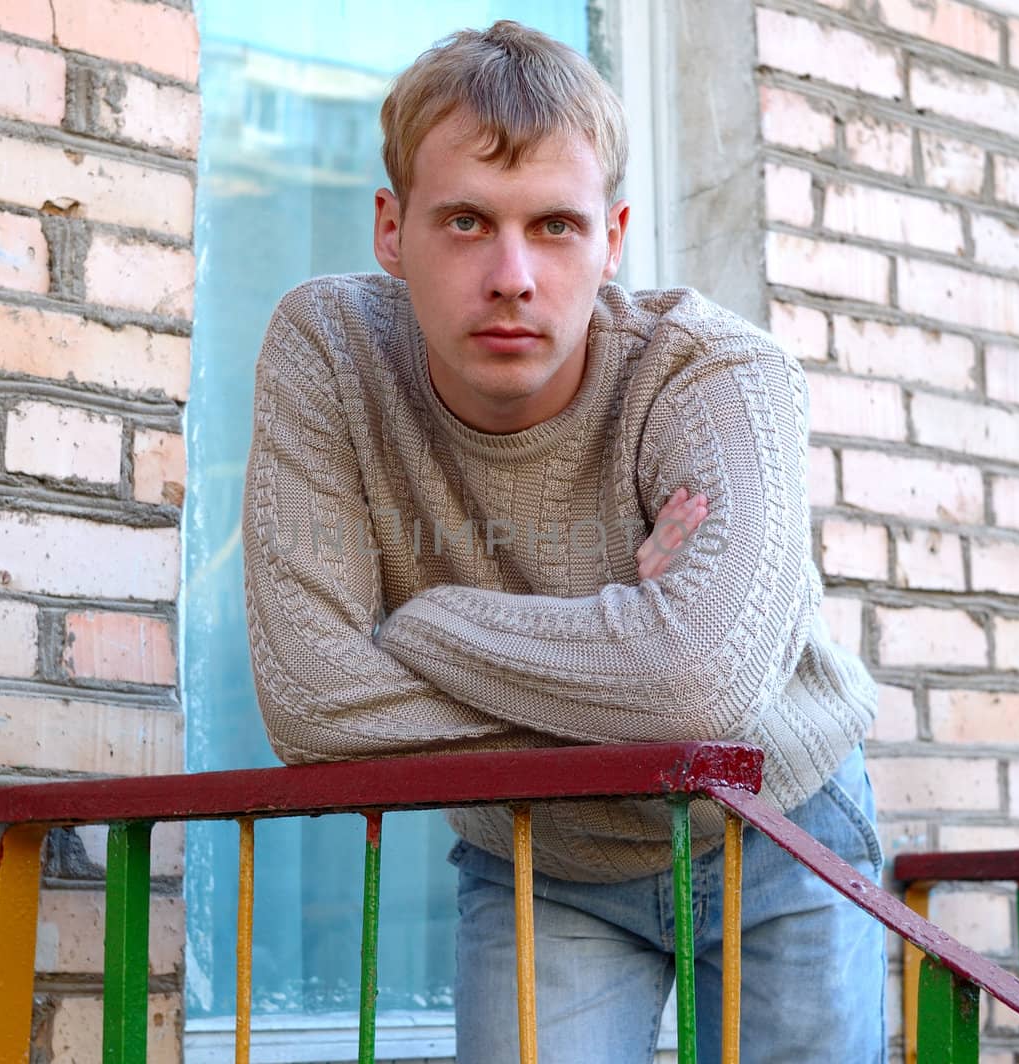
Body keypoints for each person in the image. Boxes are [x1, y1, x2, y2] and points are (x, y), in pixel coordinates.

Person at [241, 19, 884, 1063]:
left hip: (776, 825)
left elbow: (696, 682)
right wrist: (619, 663)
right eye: (463, 222)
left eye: (553, 226)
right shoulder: (330, 353)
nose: (510, 273)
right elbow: (311, 697)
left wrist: (424, 622)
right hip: (541, 855)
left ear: (613, 237)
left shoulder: (713, 375)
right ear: (388, 228)